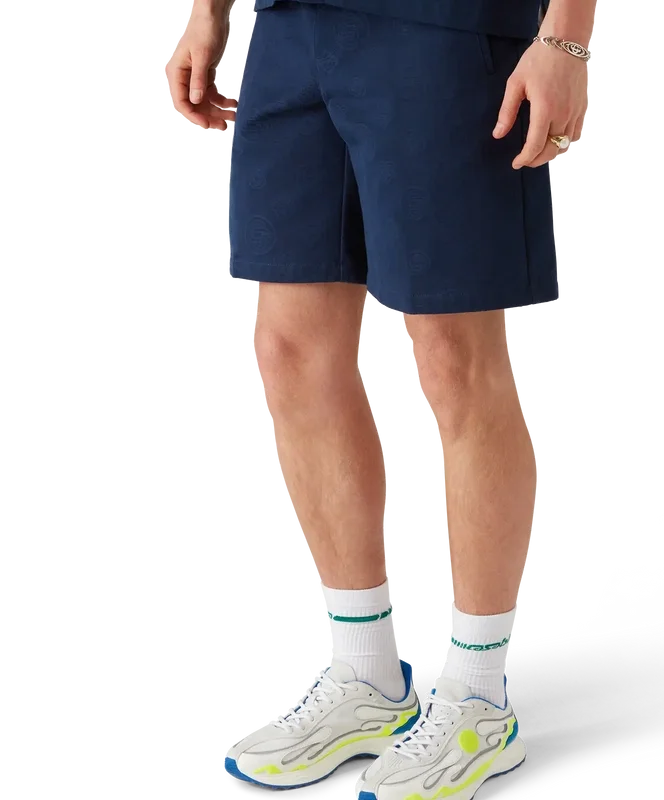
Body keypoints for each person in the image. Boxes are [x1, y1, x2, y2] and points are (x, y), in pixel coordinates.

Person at [166, 1, 594, 796]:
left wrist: (567, 37)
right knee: (290, 349)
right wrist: (205, 14)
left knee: (452, 355)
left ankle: (477, 700)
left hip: (444, 26)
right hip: (294, 25)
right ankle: (365, 675)